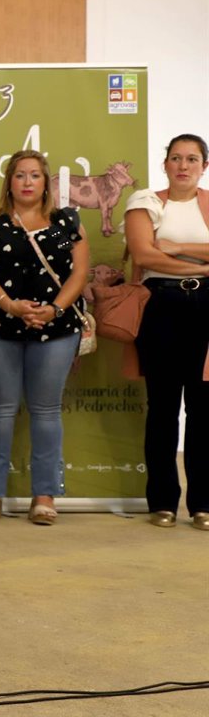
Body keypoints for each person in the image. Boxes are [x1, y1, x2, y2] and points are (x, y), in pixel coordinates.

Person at [0, 150, 88, 526]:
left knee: (46, 411)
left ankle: (45, 495)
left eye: (35, 175)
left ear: (46, 182)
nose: (27, 182)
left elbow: (79, 273)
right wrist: (10, 305)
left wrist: (54, 309)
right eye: (20, 175)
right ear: (9, 182)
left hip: (56, 329)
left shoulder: (68, 221)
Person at [124, 133, 209, 530]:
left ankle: (203, 503)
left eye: (192, 159)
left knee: (204, 411)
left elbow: (160, 251)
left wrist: (174, 248)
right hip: (162, 306)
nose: (183, 165)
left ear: (204, 166)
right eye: (176, 158)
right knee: (162, 408)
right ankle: (162, 502)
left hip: (207, 307)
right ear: (165, 164)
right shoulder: (146, 203)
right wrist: (203, 267)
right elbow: (144, 254)